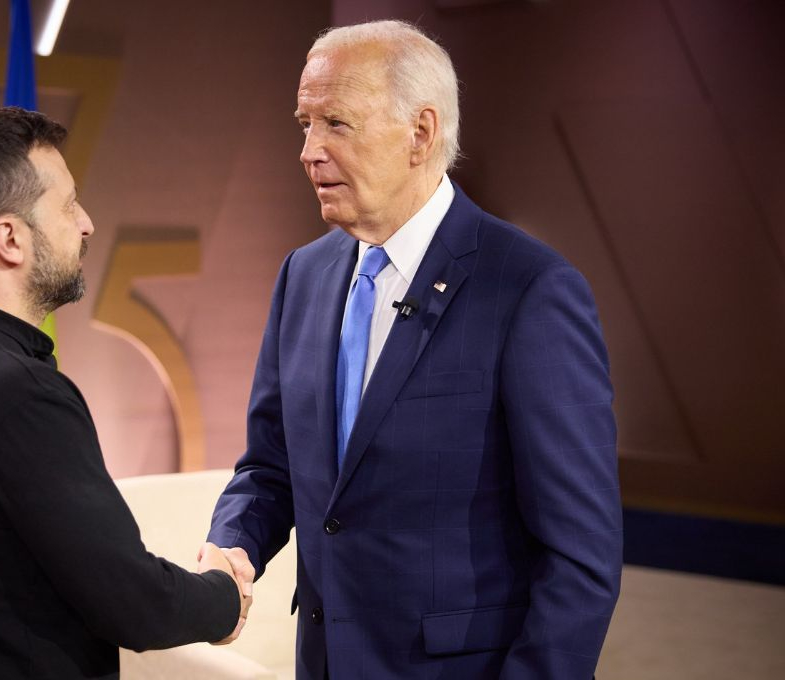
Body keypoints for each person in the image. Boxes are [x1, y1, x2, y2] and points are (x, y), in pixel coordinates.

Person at [205, 20, 622, 679]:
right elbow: (271, 466)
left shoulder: (530, 290)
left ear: (420, 134)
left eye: (336, 123)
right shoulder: (303, 276)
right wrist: (233, 543)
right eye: (303, 124)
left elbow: (580, 555)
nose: (309, 151)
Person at [0, 107, 248, 680]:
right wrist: (224, 598)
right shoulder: (17, 393)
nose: (85, 224)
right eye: (67, 205)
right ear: (9, 238)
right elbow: (133, 604)